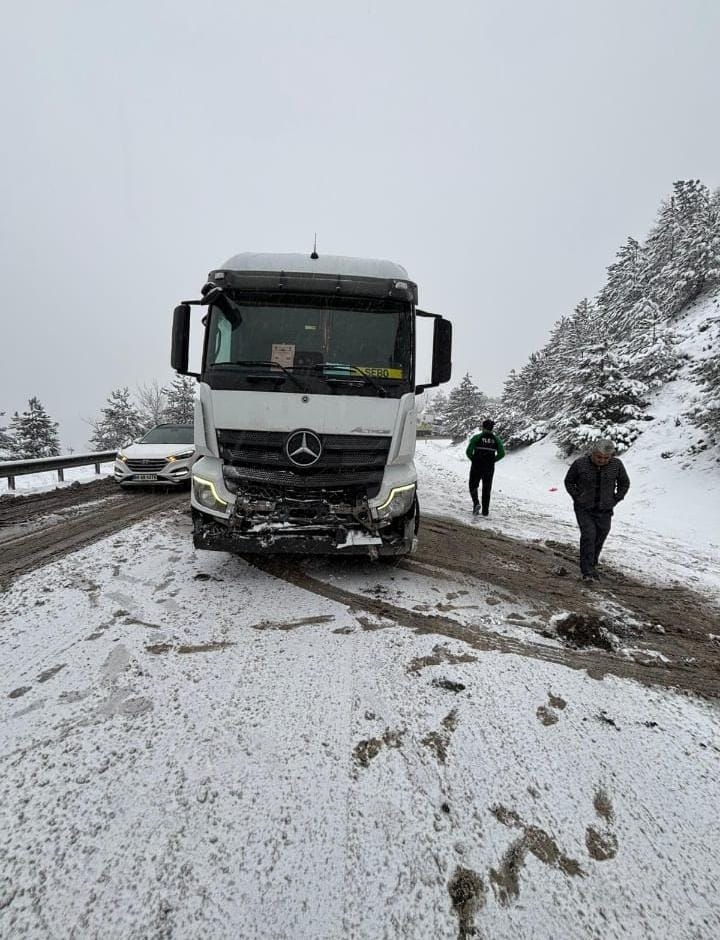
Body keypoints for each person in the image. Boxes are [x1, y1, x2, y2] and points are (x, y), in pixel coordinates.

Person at [563, 439, 630, 582]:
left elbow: (624, 483)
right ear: (593, 453)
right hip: (584, 508)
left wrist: (615, 499)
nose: (602, 460)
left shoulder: (616, 465)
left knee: (600, 536)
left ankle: (592, 564)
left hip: (605, 509)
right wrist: (577, 496)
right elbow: (569, 481)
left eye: (606, 458)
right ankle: (587, 571)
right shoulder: (580, 464)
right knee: (589, 535)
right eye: (599, 457)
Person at [466, 419, 505, 516]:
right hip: (489, 467)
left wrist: (474, 459)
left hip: (477, 465)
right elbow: (502, 453)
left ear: (483, 427)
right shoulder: (496, 439)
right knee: (487, 488)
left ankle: (476, 503)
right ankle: (485, 511)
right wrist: (493, 460)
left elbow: (468, 451)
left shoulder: (477, 437)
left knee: (473, 485)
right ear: (492, 428)